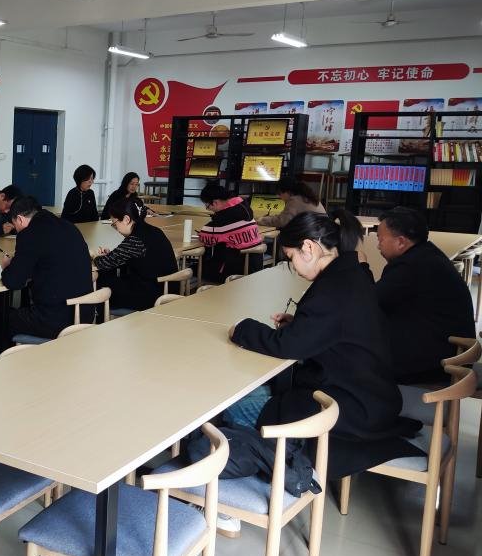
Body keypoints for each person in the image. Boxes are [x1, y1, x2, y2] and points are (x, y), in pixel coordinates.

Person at [229, 210, 415, 476]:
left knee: (234, 408)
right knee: (255, 393)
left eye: (291, 258)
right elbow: (334, 328)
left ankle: (261, 457)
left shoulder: (332, 290)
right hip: (371, 394)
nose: (293, 267)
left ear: (308, 247)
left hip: (349, 407)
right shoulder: (352, 275)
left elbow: (288, 346)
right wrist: (302, 325)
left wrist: (242, 328)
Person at [372, 207, 475, 384]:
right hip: (451, 352)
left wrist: (362, 267)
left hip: (438, 365)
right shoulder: (426, 254)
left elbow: (369, 301)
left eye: (380, 239)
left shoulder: (409, 267)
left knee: (358, 354)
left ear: (401, 242)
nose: (378, 245)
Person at [0, 196, 95, 339]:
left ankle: (2, 355)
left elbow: (13, 282)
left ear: (19, 219)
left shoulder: (29, 234)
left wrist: (7, 266)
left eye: (15, 226)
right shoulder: (68, 226)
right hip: (85, 314)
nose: (17, 231)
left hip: (56, 320)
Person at [93, 197, 179, 311]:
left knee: (101, 283)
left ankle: (97, 318)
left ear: (126, 219)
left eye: (114, 223)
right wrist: (112, 256)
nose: (115, 228)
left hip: (152, 295)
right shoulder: (154, 231)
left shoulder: (135, 239)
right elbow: (131, 256)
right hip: (166, 289)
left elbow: (102, 263)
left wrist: (96, 257)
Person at [198, 183, 263, 283]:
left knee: (196, 269)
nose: (209, 209)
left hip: (236, 272)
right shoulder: (244, 208)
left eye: (207, 206)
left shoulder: (222, 220)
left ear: (215, 202)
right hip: (256, 266)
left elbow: (204, 237)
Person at [257, 177, 326, 228]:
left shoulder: (295, 200)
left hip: (315, 234)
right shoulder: (306, 197)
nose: (279, 196)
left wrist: (261, 220)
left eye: (280, 193)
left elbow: (282, 221)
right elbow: (284, 217)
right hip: (322, 231)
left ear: (287, 192)